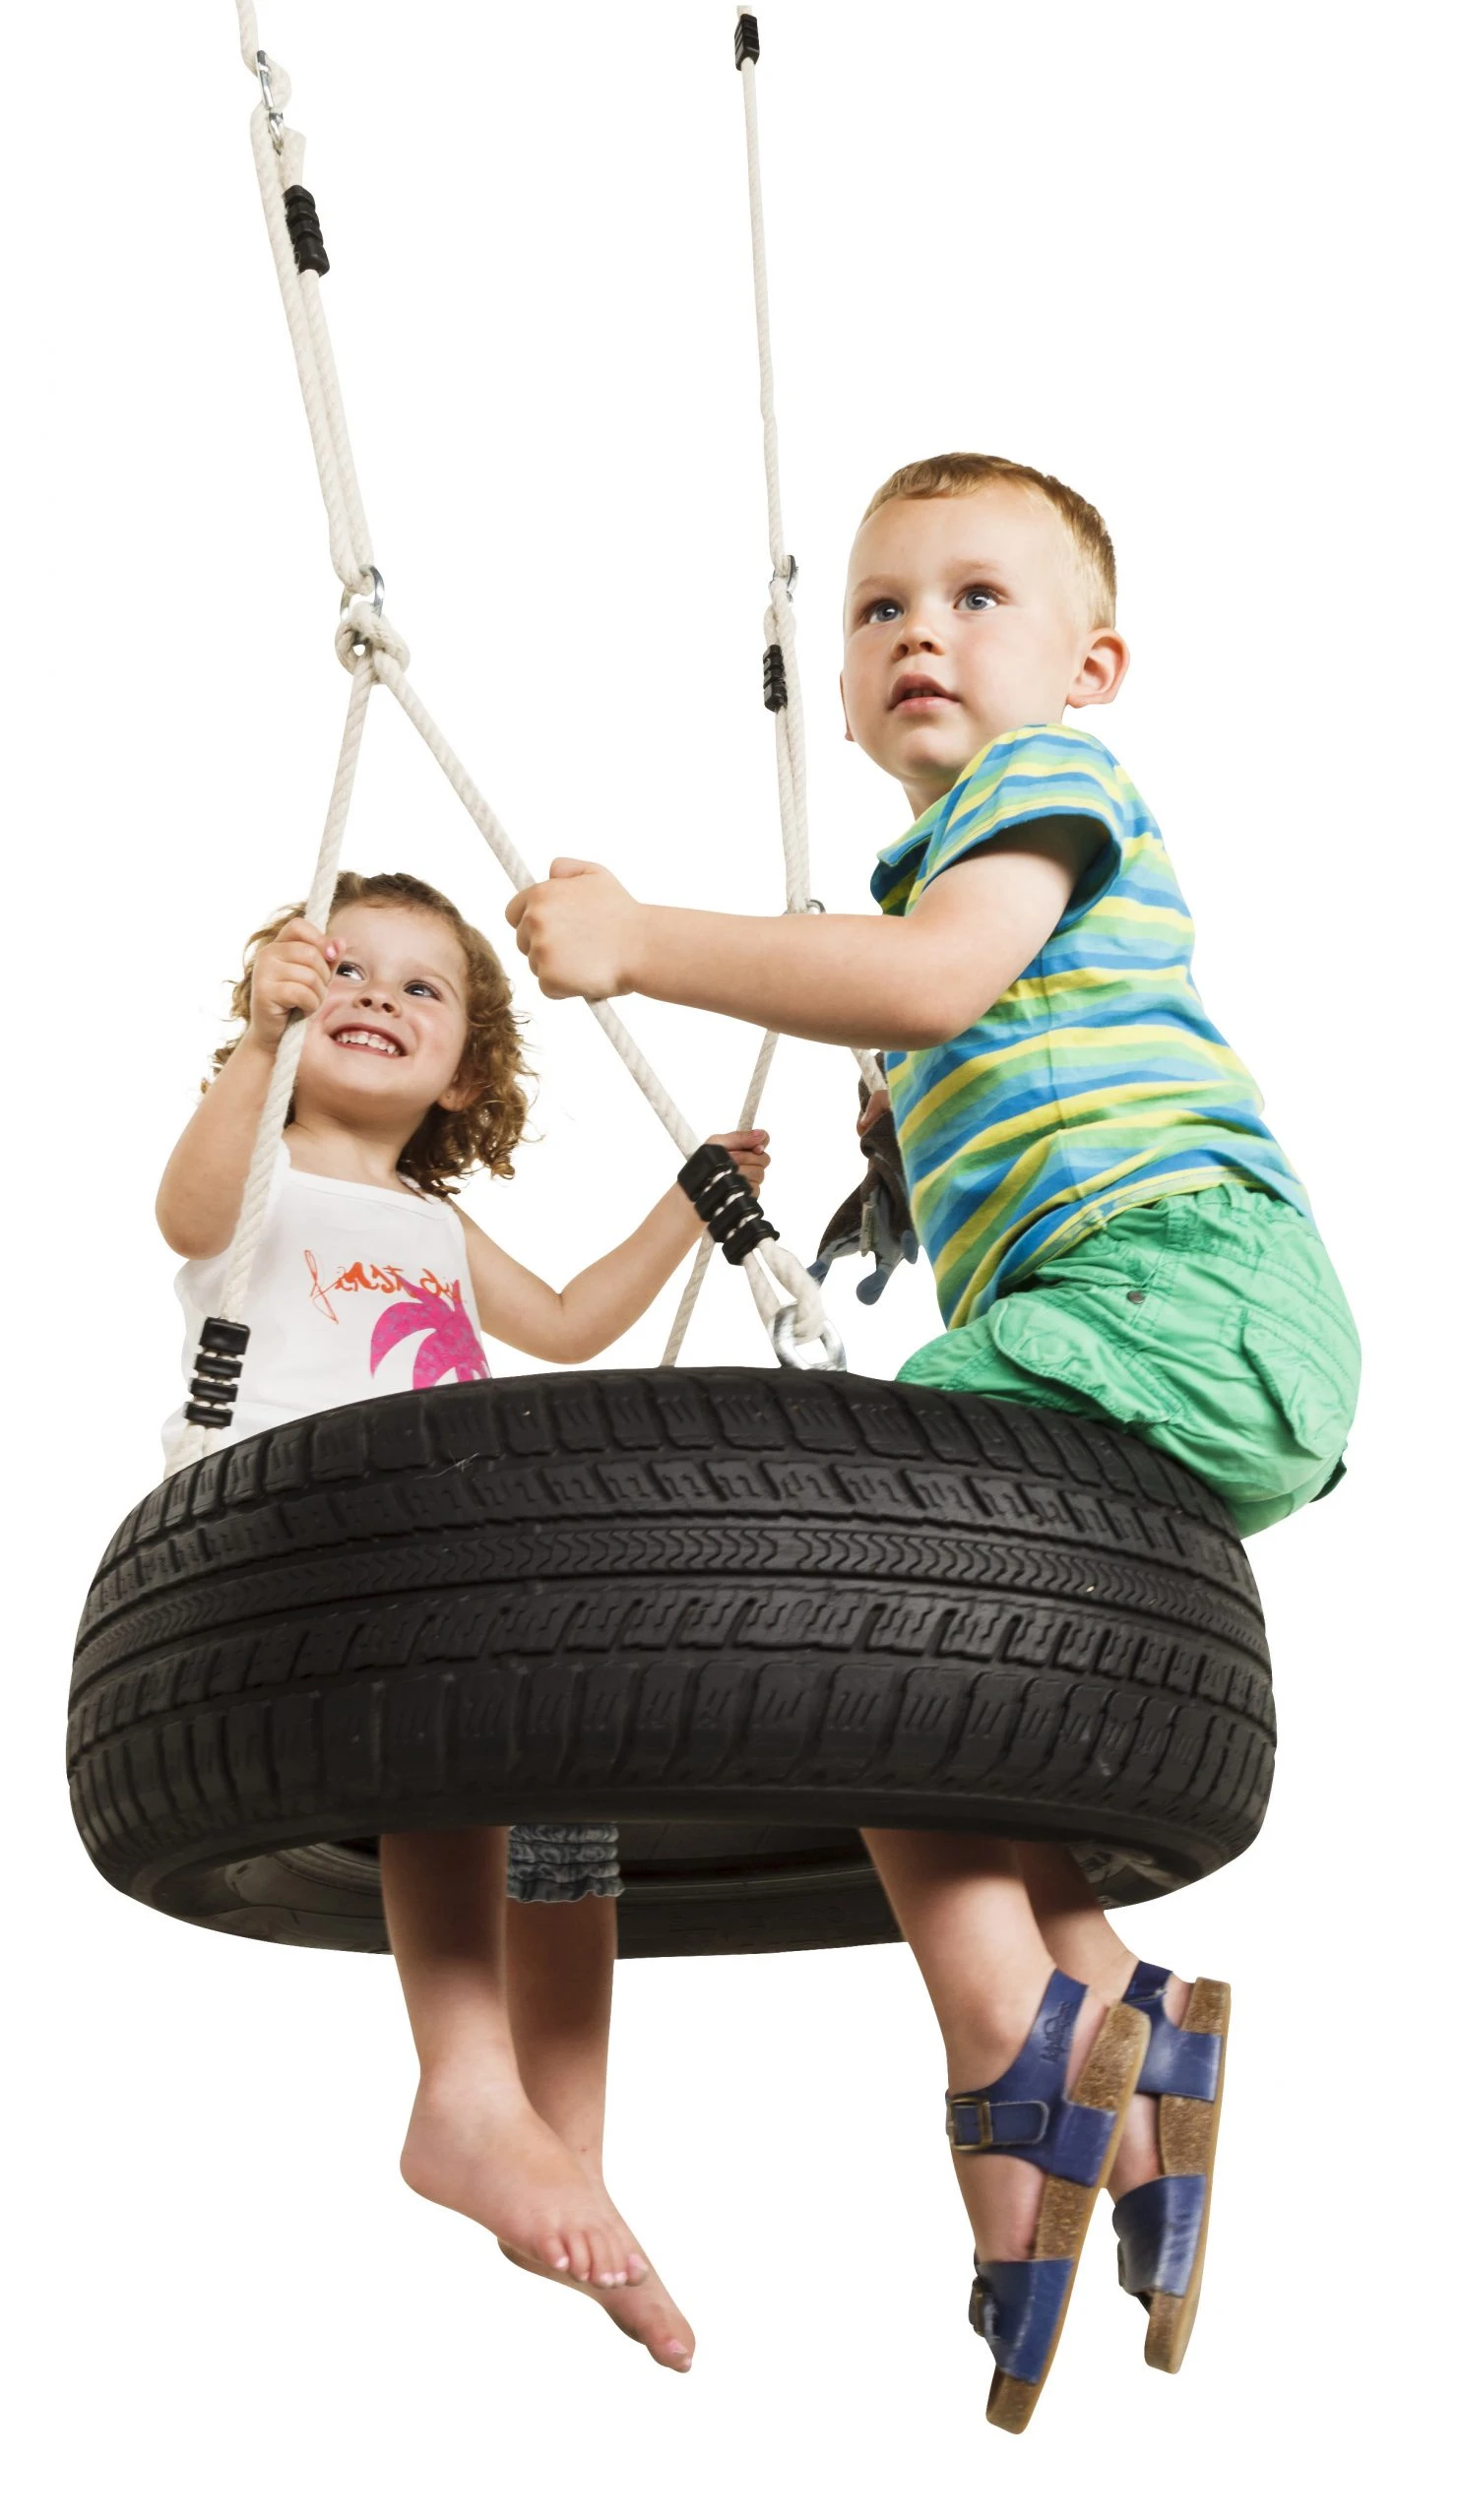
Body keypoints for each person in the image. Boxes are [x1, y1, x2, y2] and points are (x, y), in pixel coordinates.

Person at [503, 452, 1361, 2425]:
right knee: (933, 1657)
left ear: (1089, 664)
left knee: (860, 1574)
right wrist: (898, 1147)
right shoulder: (946, 876)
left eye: (978, 597)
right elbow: (947, 1008)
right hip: (1167, 1333)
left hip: (1184, 1283)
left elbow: (938, 971)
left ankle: (1002, 2030)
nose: (918, 632)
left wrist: (642, 937)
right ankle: (1117, 2016)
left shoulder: (1041, 790)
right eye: (880, 606)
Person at [158, 866, 771, 2376]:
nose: (374, 994)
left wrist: (689, 1206)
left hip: (439, 1568)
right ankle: (463, 2093)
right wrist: (260, 1047)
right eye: (342, 969)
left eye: (420, 987)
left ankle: (564, 2154)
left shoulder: (427, 1221)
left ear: (463, 1076)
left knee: (562, 1800)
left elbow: (565, 1322)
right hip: (288, 1559)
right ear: (286, 997)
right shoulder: (259, 1172)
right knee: (461, 1718)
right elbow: (186, 1209)